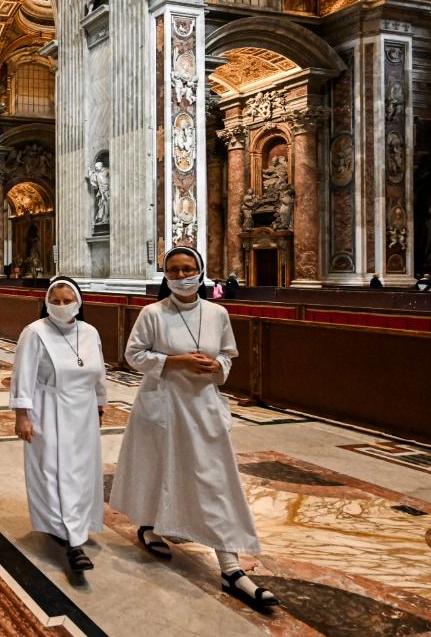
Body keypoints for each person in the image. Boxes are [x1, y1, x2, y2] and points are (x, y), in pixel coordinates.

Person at [112, 246, 278, 610]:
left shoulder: (218, 313)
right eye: (174, 270)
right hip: (163, 403)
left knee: (215, 480)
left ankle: (230, 566)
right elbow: (133, 355)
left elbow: (227, 356)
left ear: (201, 271)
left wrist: (217, 367)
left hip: (203, 406)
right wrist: (175, 361)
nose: (181, 275)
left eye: (188, 269)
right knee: (160, 469)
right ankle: (151, 525)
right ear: (165, 276)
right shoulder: (152, 313)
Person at [10, 276, 107, 573]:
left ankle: (77, 524)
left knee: (81, 471)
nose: (62, 306)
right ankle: (69, 538)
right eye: (56, 301)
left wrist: (100, 403)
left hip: (83, 412)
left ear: (79, 302)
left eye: (68, 301)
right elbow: (22, 375)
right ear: (46, 303)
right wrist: (22, 415)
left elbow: (98, 372)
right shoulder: (34, 332)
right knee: (52, 470)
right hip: (47, 408)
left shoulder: (90, 332)